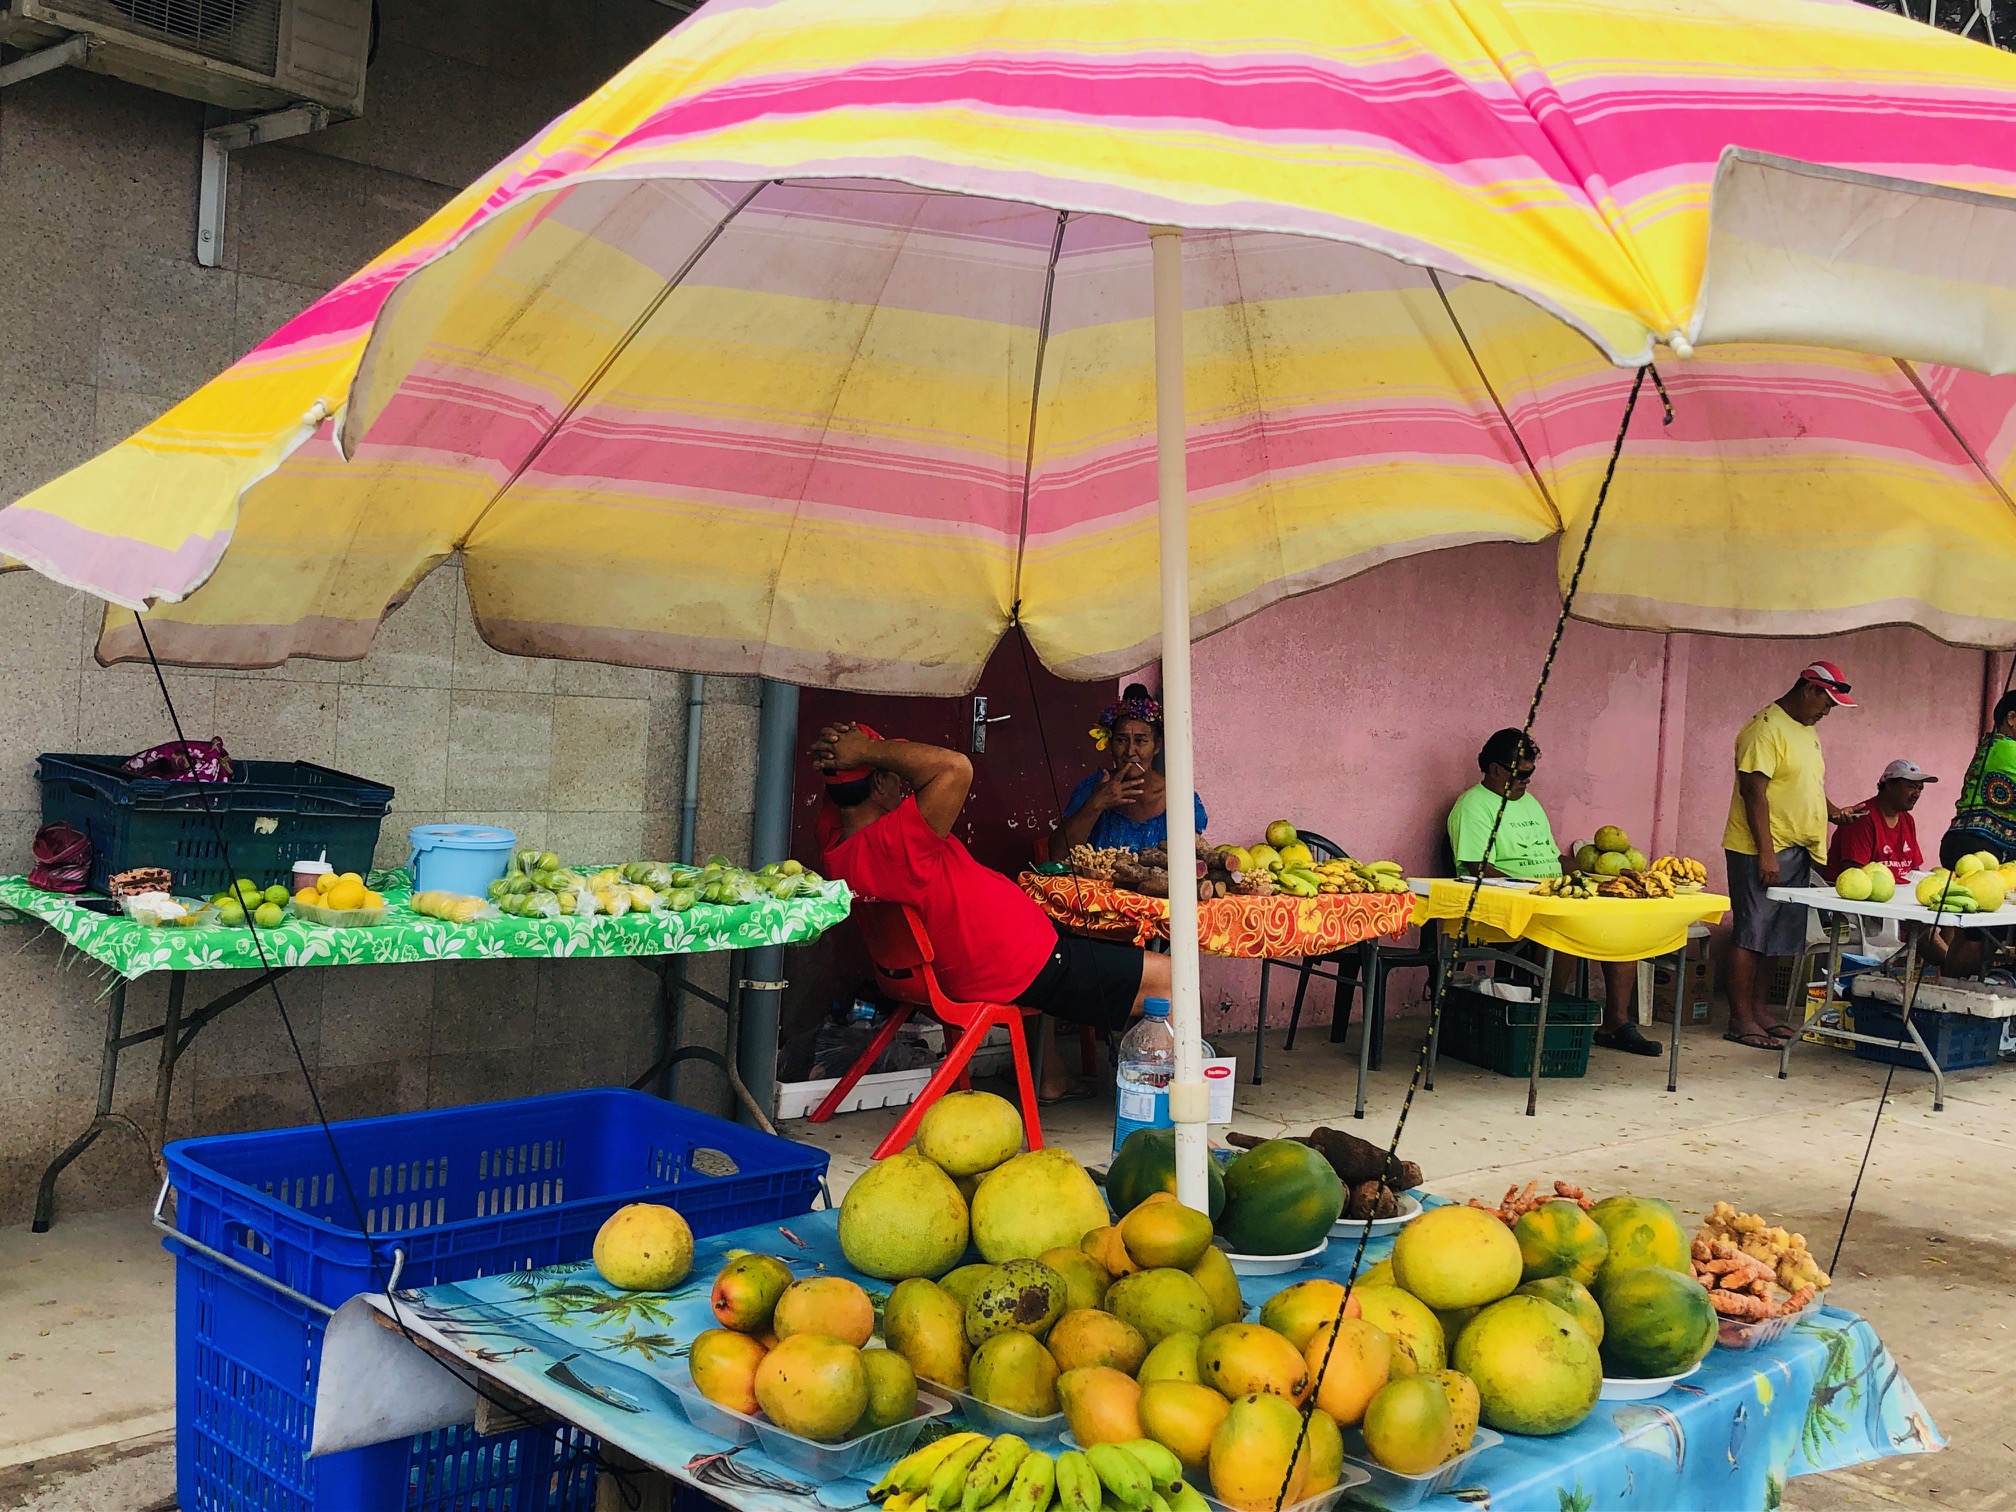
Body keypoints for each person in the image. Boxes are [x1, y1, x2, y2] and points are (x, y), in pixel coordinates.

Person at [810, 721, 1170, 1102]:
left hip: (998, 960)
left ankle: (1051, 1076)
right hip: (1014, 969)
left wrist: (839, 758)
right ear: (880, 785)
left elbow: (850, 793)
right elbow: (955, 768)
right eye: (893, 775)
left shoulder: (837, 839)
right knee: (1170, 976)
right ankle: (1169, 1105)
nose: (904, 782)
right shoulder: (895, 841)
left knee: (1070, 935)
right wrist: (865, 751)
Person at [1447, 729, 1662, 1057]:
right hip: (1508, 901)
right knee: (1565, 932)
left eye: (1531, 774)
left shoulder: (1528, 803)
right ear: (1494, 770)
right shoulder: (1472, 807)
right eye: (1521, 774)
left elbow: (1551, 858)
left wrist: (1596, 872)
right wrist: (1532, 888)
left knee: (1621, 924)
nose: (1527, 782)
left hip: (1551, 894)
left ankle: (1616, 1024)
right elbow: (1475, 867)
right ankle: (1545, 1019)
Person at [1722, 662, 1864, 1051]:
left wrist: (1834, 812)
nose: (1827, 711)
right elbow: (1754, 792)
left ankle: (1761, 1011)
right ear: (1808, 689)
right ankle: (1740, 1018)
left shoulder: (1806, 729)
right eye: (1827, 702)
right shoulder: (1764, 729)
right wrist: (1766, 852)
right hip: (1761, 847)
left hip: (1799, 847)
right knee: (1752, 932)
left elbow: (1806, 783)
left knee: (1779, 937)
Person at [1052, 685, 1207, 856]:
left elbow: (1193, 858)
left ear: (1157, 746)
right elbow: (1057, 854)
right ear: (1110, 745)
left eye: (1140, 741)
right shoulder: (1091, 789)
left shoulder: (1180, 798)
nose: (1130, 751)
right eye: (1121, 740)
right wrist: (1096, 804)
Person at [1940, 691, 2016, 868]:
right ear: (2012, 718)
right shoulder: (2006, 748)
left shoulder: (1993, 745)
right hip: (1981, 846)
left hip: (1970, 844)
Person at [1824, 760, 1934, 881]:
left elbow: (1914, 869)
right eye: (1912, 787)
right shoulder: (1862, 818)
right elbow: (1854, 876)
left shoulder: (1908, 820)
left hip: (1898, 894)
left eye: (1920, 788)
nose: (1916, 794)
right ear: (1889, 785)